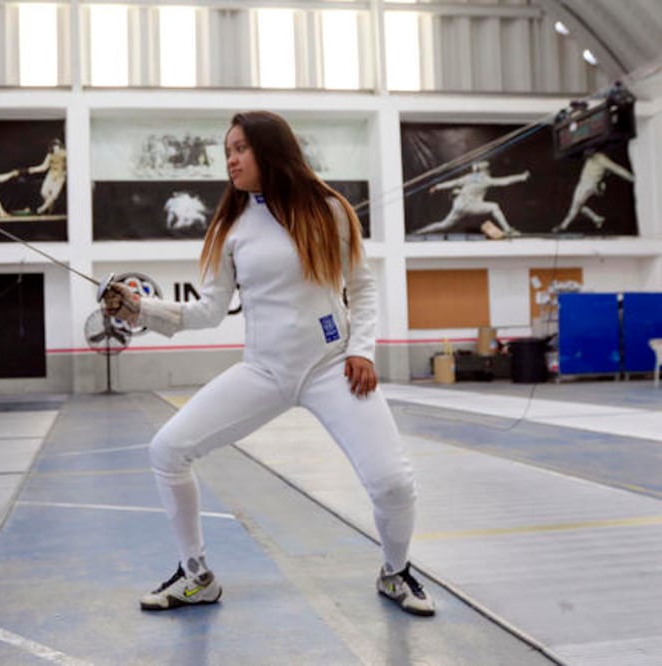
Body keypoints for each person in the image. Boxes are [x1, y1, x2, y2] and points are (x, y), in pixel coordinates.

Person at [103, 111, 435, 616]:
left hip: (331, 368)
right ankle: (196, 576)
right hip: (264, 371)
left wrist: (362, 349)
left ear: (270, 149)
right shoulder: (232, 227)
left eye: (240, 148)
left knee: (392, 481)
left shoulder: (330, 209)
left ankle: (395, 571)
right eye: (227, 150)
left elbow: (362, 288)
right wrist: (140, 308)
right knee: (167, 449)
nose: (231, 159)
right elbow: (208, 311)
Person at [412, 160, 529, 236]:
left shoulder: (469, 177)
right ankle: (507, 230)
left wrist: (437, 187)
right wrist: (522, 177)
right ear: (484, 171)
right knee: (494, 206)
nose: (489, 171)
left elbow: (453, 183)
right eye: (487, 170)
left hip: (458, 205)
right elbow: (505, 181)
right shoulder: (486, 180)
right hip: (470, 206)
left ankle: (420, 231)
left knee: (444, 224)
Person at [552, 150, 634, 232]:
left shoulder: (602, 159)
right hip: (584, 184)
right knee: (579, 206)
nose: (585, 154)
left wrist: (632, 178)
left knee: (576, 205)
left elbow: (617, 169)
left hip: (589, 185)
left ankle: (563, 226)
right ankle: (597, 219)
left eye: (588, 151)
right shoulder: (589, 158)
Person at [25, 138, 67, 214]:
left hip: (60, 175)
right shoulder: (50, 155)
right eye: (53, 145)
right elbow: (44, 167)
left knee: (54, 195)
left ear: (60, 146)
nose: (55, 147)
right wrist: (33, 169)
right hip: (51, 174)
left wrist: (65, 173)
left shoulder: (65, 154)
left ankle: (42, 209)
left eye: (57, 145)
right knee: (44, 193)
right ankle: (50, 209)